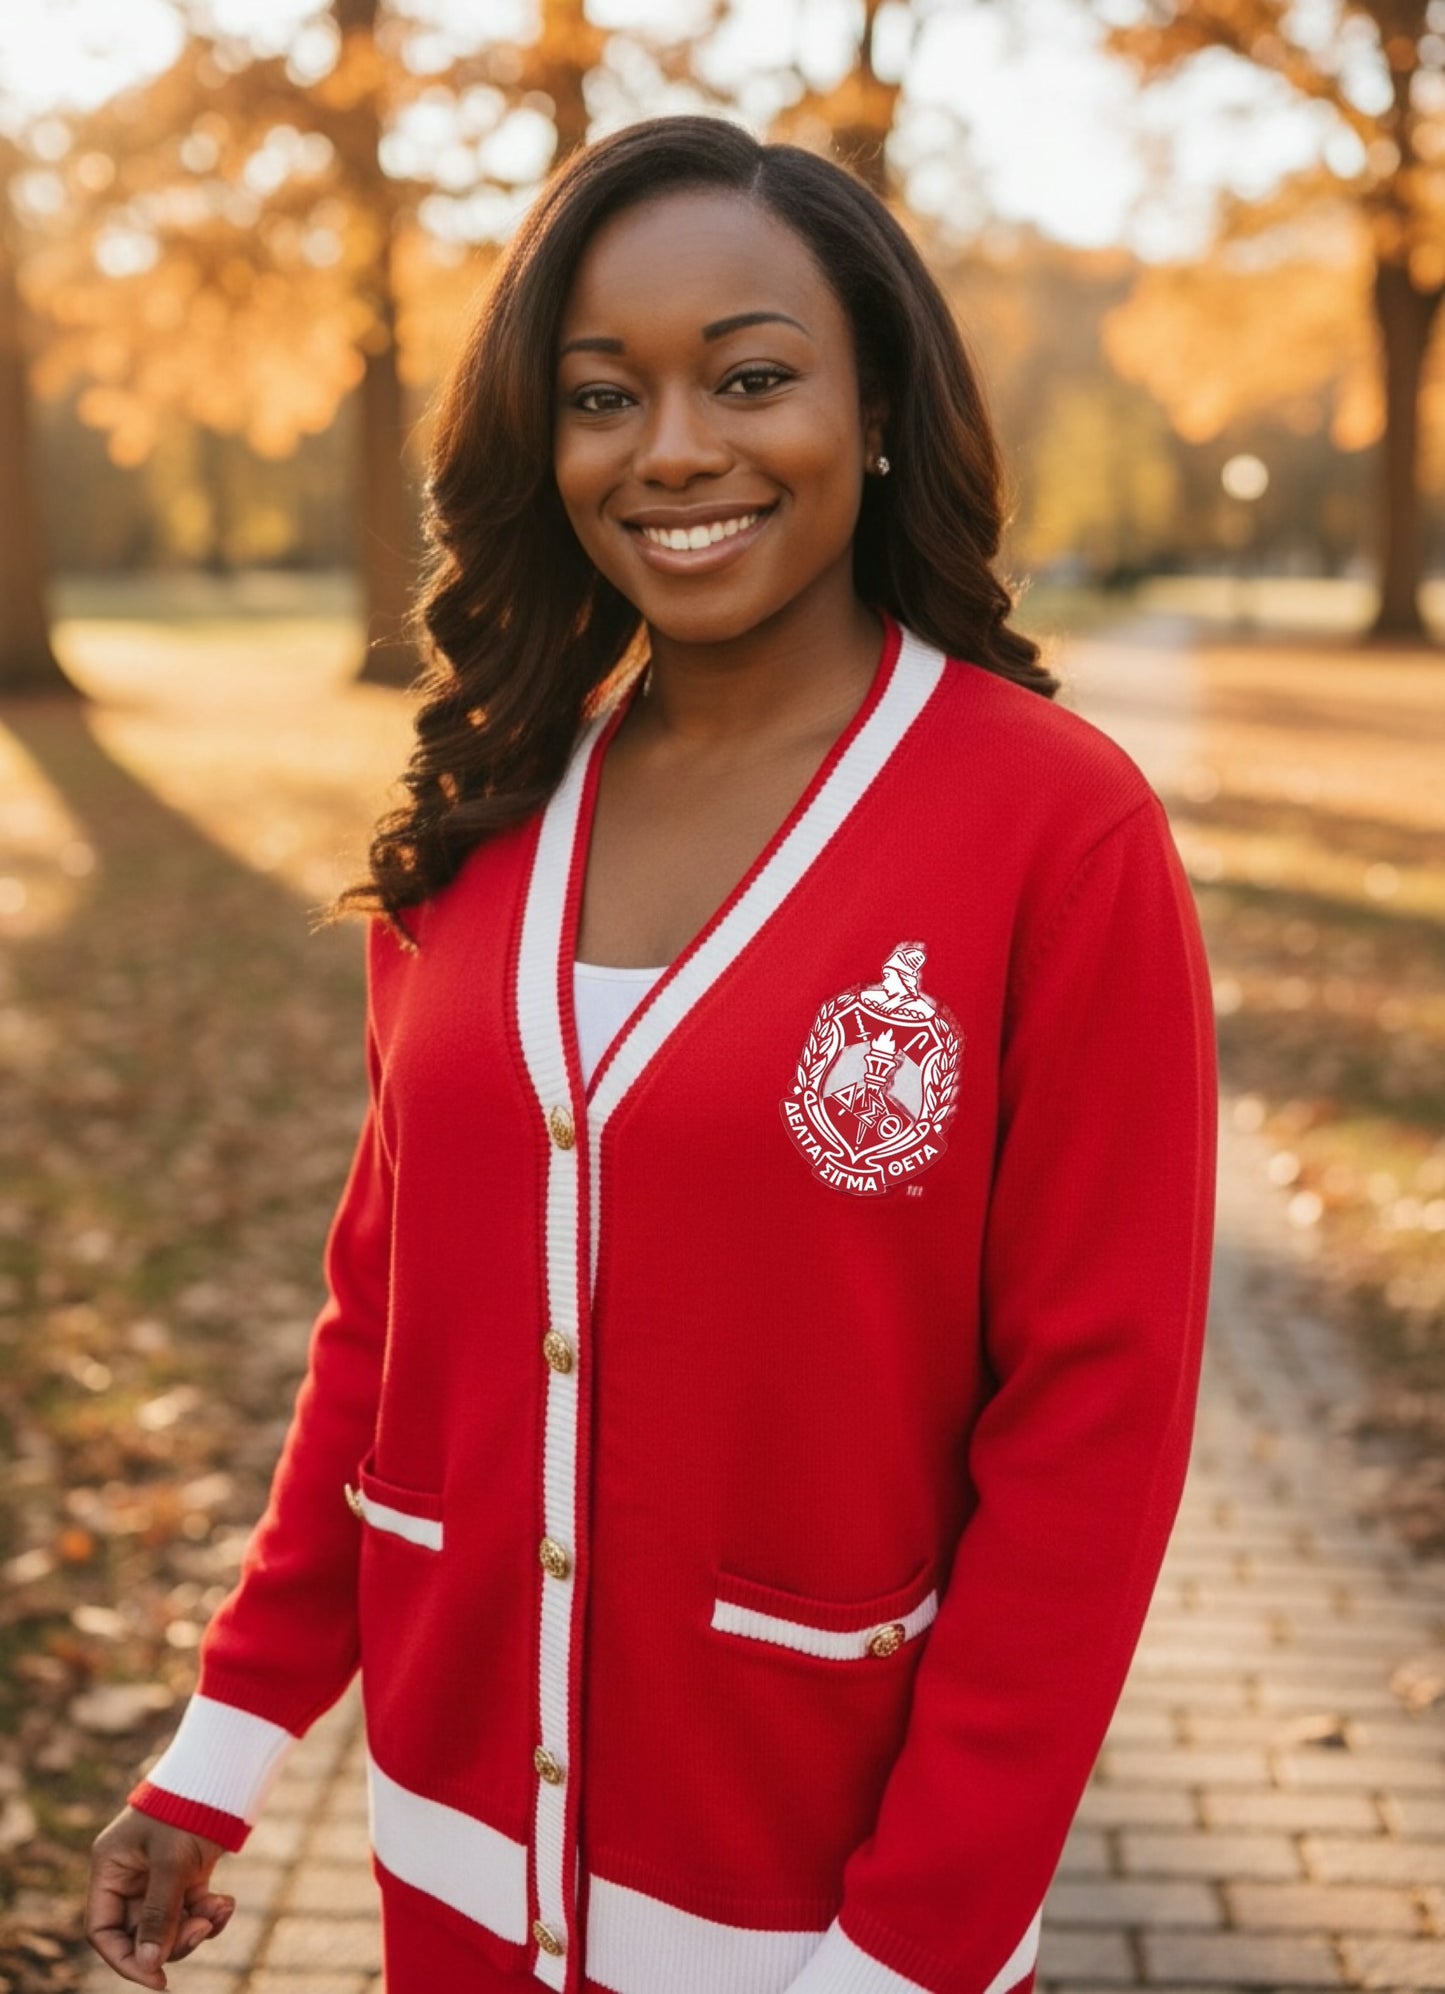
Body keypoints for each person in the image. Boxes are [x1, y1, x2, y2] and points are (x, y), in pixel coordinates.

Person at [87, 113, 1217, 1994]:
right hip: (452, 1869)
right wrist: (221, 1750)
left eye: (751, 377)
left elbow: (1091, 1437)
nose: (675, 447)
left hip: (821, 1916)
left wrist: (913, 1943)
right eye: (603, 394)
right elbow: (385, 1325)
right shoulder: (484, 819)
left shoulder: (1053, 832)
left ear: (871, 408)